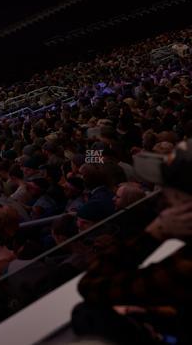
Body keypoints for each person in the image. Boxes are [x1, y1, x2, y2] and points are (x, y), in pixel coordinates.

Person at [74, 145, 192, 344]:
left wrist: (153, 234)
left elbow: (90, 286)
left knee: (87, 315)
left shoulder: (184, 267)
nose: (160, 197)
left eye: (168, 190)